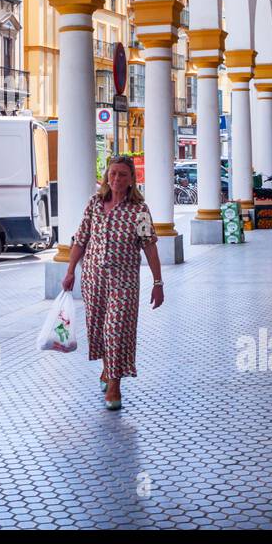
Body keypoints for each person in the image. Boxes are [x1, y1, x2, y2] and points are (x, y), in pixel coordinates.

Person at [61, 155, 164, 411]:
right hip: (93, 279)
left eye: (123, 175)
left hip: (124, 280)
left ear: (132, 180)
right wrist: (71, 270)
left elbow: (149, 246)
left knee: (116, 329)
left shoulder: (138, 210)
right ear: (107, 176)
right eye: (113, 173)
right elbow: (81, 238)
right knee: (99, 328)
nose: (116, 179)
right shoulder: (95, 203)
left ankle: (115, 385)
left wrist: (158, 282)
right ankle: (107, 369)